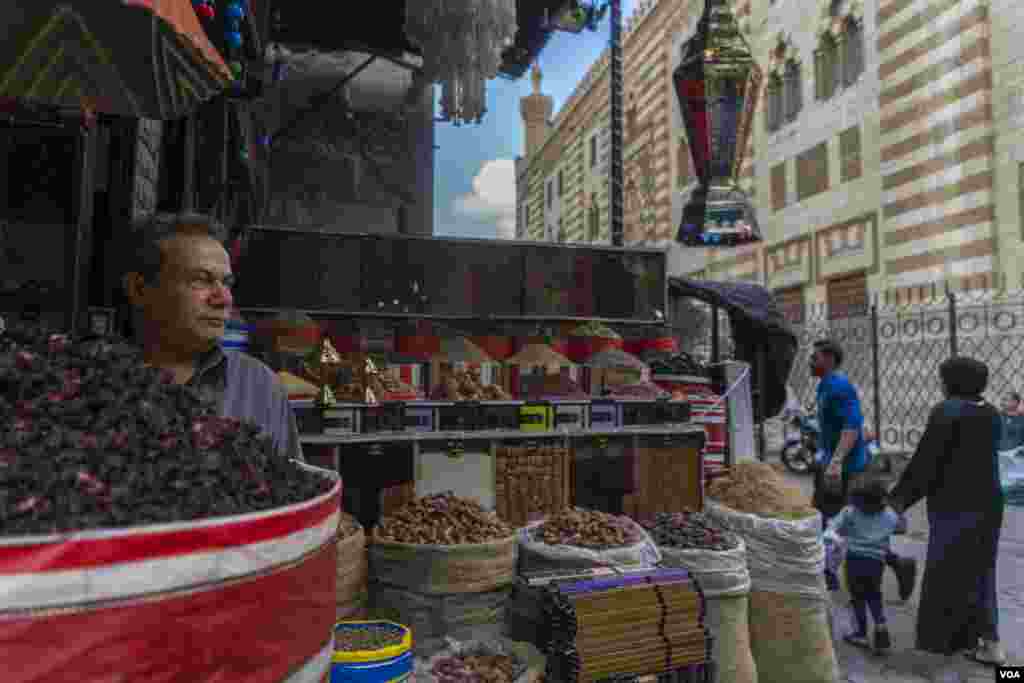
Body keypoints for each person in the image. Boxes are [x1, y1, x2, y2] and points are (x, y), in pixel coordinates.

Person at [121, 212, 304, 462]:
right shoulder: (91, 386)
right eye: (201, 280)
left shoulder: (260, 387)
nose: (224, 299)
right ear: (140, 289)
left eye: (226, 283)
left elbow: (294, 491)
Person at [890, 356, 1006, 682]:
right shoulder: (991, 412)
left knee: (945, 570)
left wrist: (897, 501)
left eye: (942, 378)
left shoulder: (948, 411)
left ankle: (942, 646)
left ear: (953, 381)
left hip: (956, 504)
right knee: (981, 569)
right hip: (989, 503)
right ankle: (991, 643)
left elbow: (927, 463)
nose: (940, 383)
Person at [810, 339, 917, 600]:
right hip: (834, 464)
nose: (810, 361)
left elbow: (851, 427)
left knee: (847, 522)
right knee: (827, 518)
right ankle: (829, 572)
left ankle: (889, 565)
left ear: (831, 359)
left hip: (848, 469)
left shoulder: (839, 386)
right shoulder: (825, 385)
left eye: (816, 357)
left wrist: (835, 462)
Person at [826, 477, 901, 655]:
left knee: (857, 597)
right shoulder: (889, 514)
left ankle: (861, 633)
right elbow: (898, 526)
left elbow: (830, 531)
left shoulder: (850, 512)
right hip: (877, 562)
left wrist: (838, 540)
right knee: (874, 594)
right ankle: (881, 627)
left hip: (855, 560)